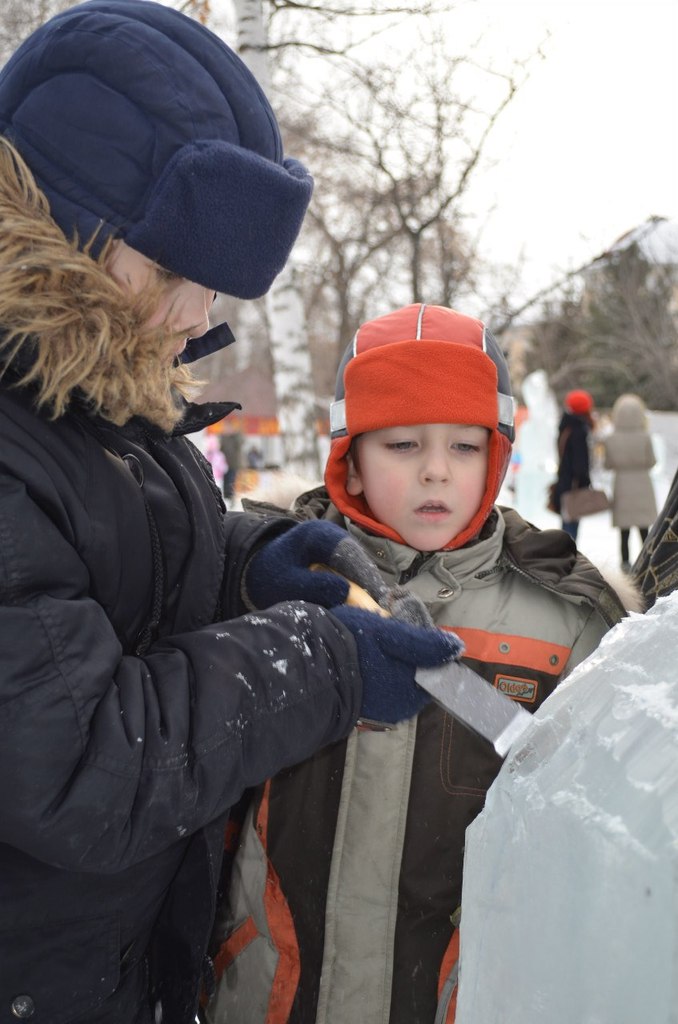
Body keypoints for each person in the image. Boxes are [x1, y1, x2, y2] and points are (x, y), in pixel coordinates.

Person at [0, 6, 461, 1023]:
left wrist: (251, 562)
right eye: (174, 271)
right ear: (62, 231)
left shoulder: (90, 392)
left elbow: (122, 552)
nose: (199, 313)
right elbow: (78, 764)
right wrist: (321, 666)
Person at [206, 304, 627, 1024]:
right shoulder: (268, 584)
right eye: (402, 444)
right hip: (269, 993)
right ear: (351, 458)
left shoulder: (569, 624)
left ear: (497, 455)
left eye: (465, 445)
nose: (436, 469)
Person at [602, 393, 657, 572]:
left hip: (622, 485)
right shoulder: (645, 437)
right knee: (644, 529)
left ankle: (625, 563)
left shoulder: (611, 439)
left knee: (624, 531)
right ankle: (646, 562)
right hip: (643, 485)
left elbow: (607, 464)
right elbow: (652, 461)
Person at [552, 388, 595, 541]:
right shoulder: (579, 430)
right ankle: (567, 554)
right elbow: (580, 462)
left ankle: (565, 552)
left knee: (567, 523)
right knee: (571, 528)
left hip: (564, 481)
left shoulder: (565, 426)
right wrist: (585, 482)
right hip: (574, 485)